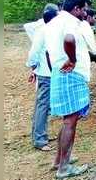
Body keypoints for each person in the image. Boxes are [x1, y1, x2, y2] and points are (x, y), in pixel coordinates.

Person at [44, 0, 91, 179]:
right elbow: (69, 40)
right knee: (71, 121)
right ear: (76, 9)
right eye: (84, 9)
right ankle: (63, 168)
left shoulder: (53, 22)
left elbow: (48, 52)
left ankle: (59, 160)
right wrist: (72, 59)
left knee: (67, 120)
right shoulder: (70, 21)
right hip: (70, 73)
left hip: (58, 72)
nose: (85, 13)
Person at [26, 8, 58, 152]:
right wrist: (33, 68)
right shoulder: (43, 31)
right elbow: (33, 53)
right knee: (43, 106)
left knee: (45, 106)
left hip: (50, 74)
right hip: (46, 75)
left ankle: (41, 135)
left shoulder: (50, 31)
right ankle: (39, 139)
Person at [80, 9, 96, 89]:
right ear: (88, 17)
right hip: (81, 53)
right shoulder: (86, 26)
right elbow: (92, 46)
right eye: (94, 18)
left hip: (80, 51)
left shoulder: (81, 24)